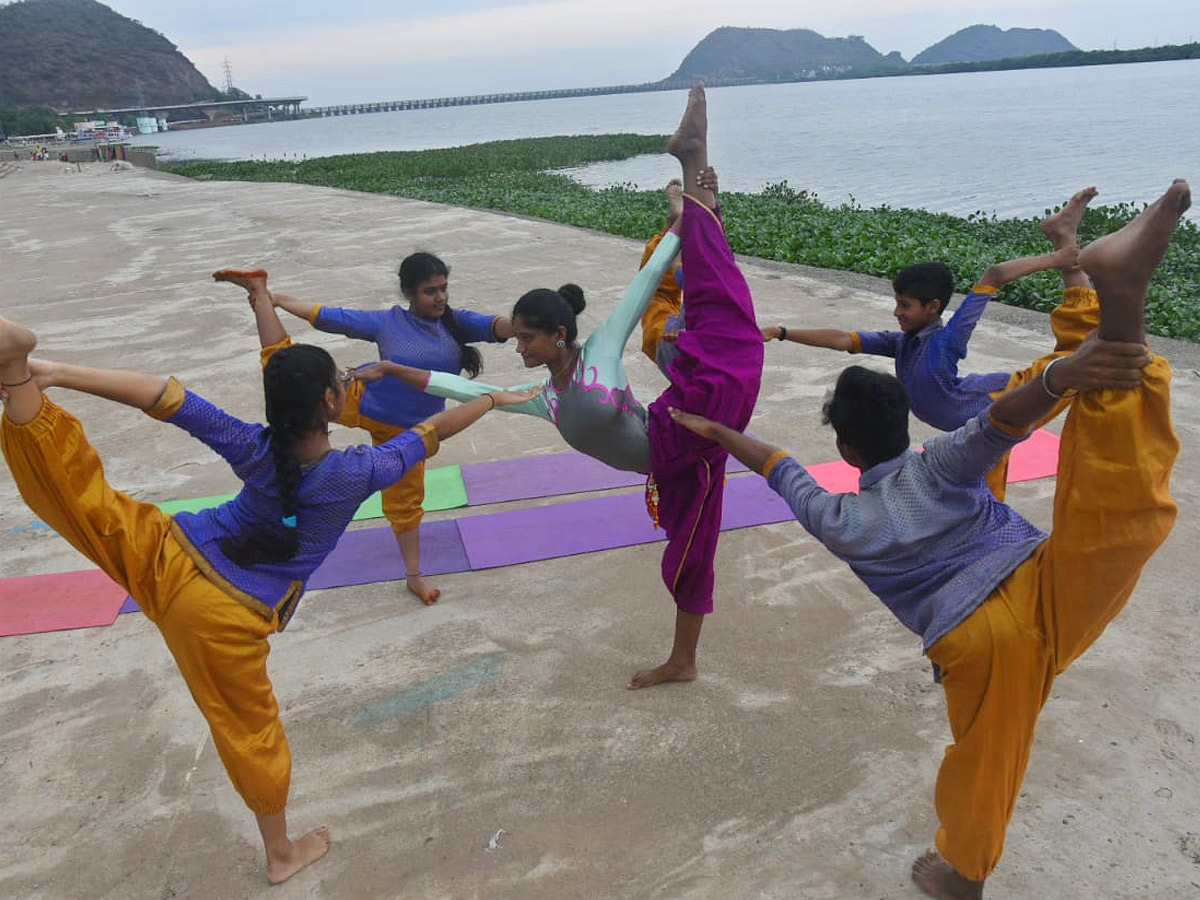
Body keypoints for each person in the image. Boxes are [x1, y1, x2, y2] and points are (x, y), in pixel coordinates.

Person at [666, 179, 1188, 899]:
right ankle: (1101, 299)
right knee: (1119, 507)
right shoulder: (940, 462)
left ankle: (961, 875)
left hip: (976, 640)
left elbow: (779, 468)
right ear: (904, 426)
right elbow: (1004, 422)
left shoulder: (840, 519)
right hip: (1045, 575)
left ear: (846, 452)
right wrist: (1065, 375)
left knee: (987, 755)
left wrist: (718, 431)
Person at [0, 296, 535, 884]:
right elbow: (433, 429)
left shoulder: (253, 445)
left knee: (80, 499)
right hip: (220, 617)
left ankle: (17, 374)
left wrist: (60, 373)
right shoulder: (358, 472)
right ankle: (282, 855)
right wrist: (491, 398)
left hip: (164, 551)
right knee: (248, 731)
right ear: (332, 403)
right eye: (340, 379)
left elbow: (163, 396)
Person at [350, 85, 764, 690]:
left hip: (689, 435)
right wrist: (389, 369)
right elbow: (454, 388)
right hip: (674, 457)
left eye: (526, 339)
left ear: (559, 334)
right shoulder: (545, 399)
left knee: (729, 337)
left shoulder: (598, 353)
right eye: (516, 339)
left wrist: (676, 231)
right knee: (713, 337)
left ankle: (694, 179)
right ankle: (702, 200)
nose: (518, 348)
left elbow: (647, 281)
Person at [216, 252, 515, 606]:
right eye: (430, 291)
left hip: (404, 431)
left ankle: (413, 578)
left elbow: (501, 327)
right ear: (409, 293)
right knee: (287, 371)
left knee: (404, 504)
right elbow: (332, 317)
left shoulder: (457, 322)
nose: (440, 297)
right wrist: (277, 301)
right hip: (359, 398)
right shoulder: (388, 322)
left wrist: (537, 321)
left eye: (444, 288)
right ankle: (261, 294)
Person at [762, 188, 1100, 498]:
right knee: (1076, 353)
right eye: (897, 303)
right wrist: (782, 331)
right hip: (982, 425)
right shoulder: (901, 344)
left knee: (1079, 356)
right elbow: (841, 339)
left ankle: (1063, 239)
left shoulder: (948, 338)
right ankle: (1062, 234)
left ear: (933, 307)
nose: (897, 312)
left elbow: (993, 275)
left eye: (905, 305)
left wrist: (1057, 261)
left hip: (1008, 400)